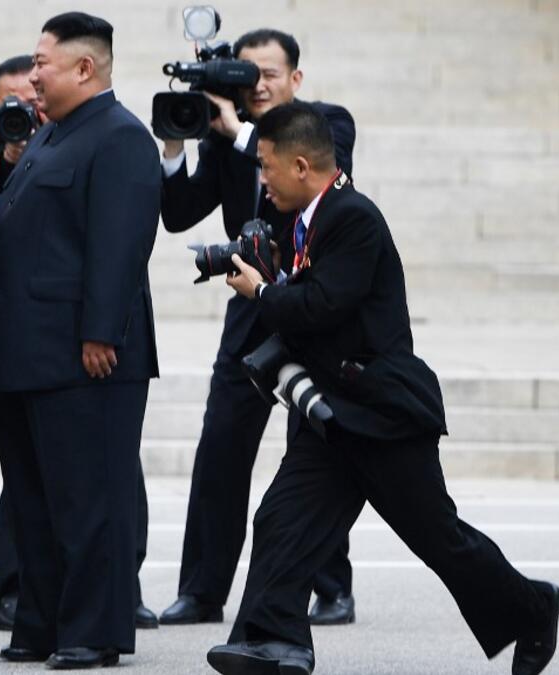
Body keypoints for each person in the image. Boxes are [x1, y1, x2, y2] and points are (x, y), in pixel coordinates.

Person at [207, 101, 559, 675]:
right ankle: (275, 642)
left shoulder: (353, 216)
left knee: (437, 538)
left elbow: (323, 305)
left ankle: (533, 606)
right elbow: (318, 303)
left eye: (267, 168)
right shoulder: (309, 221)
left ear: (301, 166)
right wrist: (274, 278)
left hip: (381, 414)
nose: (263, 181)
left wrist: (263, 294)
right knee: (280, 517)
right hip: (333, 414)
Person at [0, 54, 159, 632]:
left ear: (85, 67)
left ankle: (93, 633)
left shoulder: (119, 136)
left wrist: (100, 332)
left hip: (83, 356)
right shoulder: (49, 139)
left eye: (43, 63)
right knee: (32, 500)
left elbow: (120, 245)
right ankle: (39, 624)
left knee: (88, 503)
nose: (33, 78)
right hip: (25, 355)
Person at [157, 28, 359, 627]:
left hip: (316, 303)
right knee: (221, 444)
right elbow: (178, 214)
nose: (259, 85)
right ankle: (201, 590)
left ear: (295, 79)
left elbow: (313, 187)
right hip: (250, 305)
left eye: (269, 74)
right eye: (248, 74)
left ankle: (332, 587)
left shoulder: (327, 124)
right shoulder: (225, 139)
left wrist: (242, 133)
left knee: (316, 446)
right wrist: (173, 145)